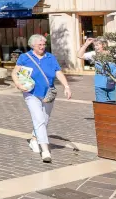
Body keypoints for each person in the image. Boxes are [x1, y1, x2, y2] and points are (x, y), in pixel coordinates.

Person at [14, 34, 72, 163]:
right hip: (31, 93)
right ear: (32, 45)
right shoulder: (25, 57)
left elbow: (58, 72)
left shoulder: (50, 57)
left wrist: (66, 86)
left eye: (44, 44)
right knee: (39, 119)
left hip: (48, 93)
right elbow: (15, 72)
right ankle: (45, 150)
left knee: (45, 119)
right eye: (39, 44)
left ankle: (35, 138)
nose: (42, 47)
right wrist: (18, 84)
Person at [78, 37, 116, 103]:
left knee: (114, 106)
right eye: (94, 45)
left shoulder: (114, 55)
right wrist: (86, 44)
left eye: (97, 45)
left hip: (113, 85)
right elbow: (79, 55)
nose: (95, 47)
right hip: (100, 86)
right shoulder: (94, 54)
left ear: (104, 45)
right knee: (102, 107)